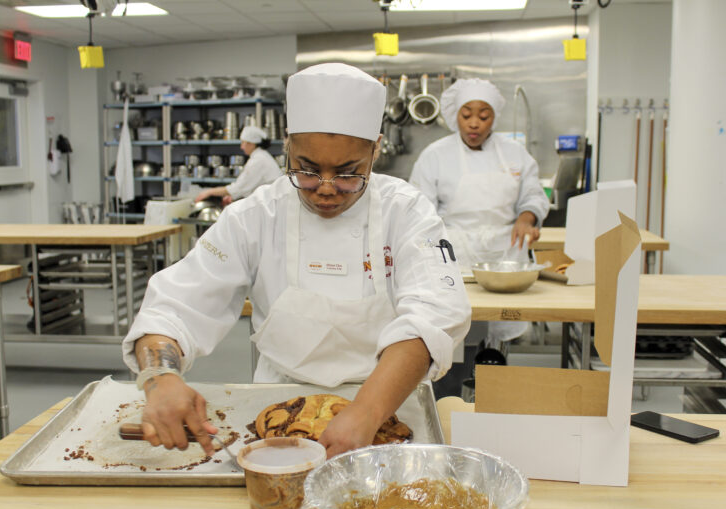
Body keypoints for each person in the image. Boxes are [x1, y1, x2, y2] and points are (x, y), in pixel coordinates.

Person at [122, 63, 471, 459]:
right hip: (278, 404)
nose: (325, 190)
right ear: (287, 146)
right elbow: (175, 306)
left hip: (387, 405)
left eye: (347, 174)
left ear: (375, 149)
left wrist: (367, 410)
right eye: (306, 170)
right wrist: (160, 376)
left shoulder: (406, 212)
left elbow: (434, 314)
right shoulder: (256, 215)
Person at [410, 78, 548, 348]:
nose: (474, 123)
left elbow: (533, 194)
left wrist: (526, 217)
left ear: (494, 118)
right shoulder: (435, 155)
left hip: (506, 258)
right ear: (455, 115)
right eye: (467, 115)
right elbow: (419, 210)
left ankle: (499, 381)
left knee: (503, 339)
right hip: (455, 258)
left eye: (483, 116)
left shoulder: (514, 153)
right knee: (459, 340)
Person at [194, 126, 281, 206]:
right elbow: (248, 187)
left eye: (243, 143)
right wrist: (234, 196)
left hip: (270, 205)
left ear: (251, 143)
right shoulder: (261, 156)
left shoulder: (258, 160)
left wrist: (209, 192)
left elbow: (238, 188)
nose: (241, 147)